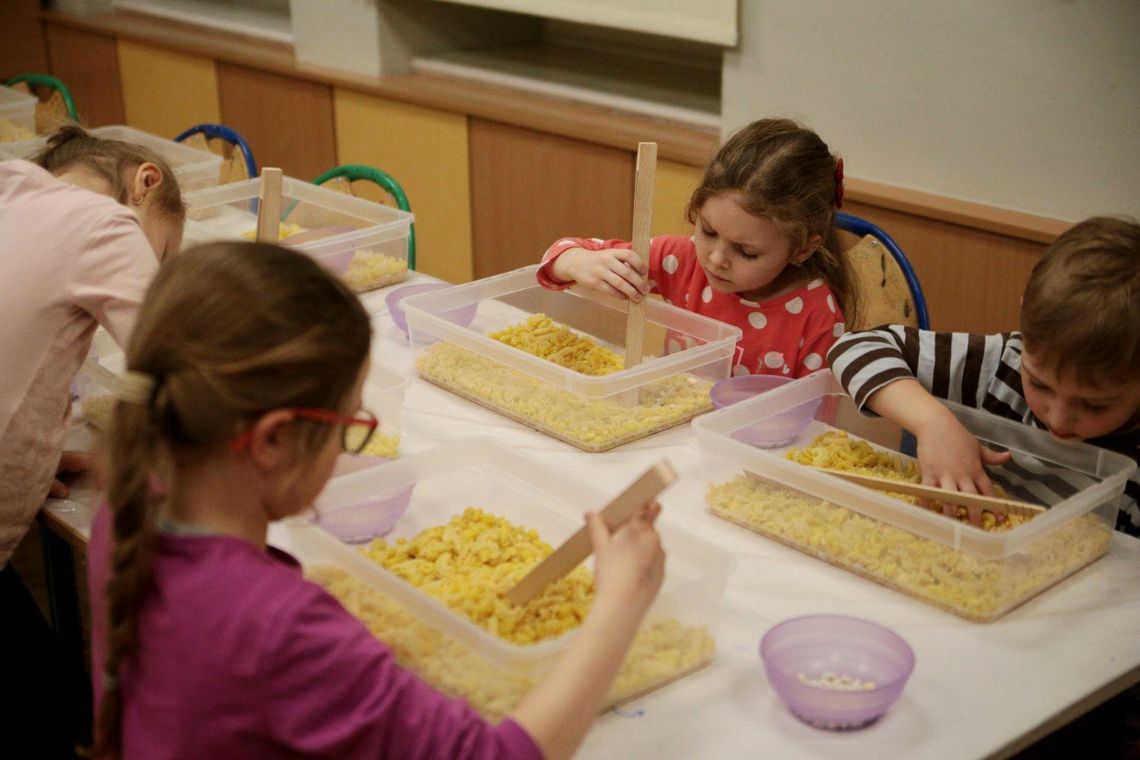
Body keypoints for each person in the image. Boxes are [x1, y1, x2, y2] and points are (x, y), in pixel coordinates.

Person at [87, 241, 667, 759]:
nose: (352, 444)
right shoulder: (284, 630)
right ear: (274, 440)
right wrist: (620, 605)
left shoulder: (130, 507)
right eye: (348, 426)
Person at [0, 125, 185, 758]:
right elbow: (178, 369)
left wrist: (26, 454)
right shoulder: (106, 224)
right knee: (53, 718)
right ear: (145, 184)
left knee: (56, 695)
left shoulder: (13, 193)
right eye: (165, 251)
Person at [827, 216, 1140, 534]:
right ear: (1025, 321)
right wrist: (934, 424)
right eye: (1038, 384)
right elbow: (855, 347)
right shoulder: (1002, 364)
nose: (1058, 419)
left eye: (1094, 406)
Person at [537, 118, 857, 378]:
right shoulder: (682, 259)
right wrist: (578, 262)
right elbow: (558, 256)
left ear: (802, 250)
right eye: (708, 231)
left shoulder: (816, 315)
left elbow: (813, 423)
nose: (716, 259)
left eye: (746, 252)